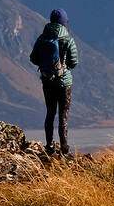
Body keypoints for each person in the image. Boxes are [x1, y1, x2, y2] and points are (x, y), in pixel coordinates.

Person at [29, 8, 78, 155]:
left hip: (47, 82)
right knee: (63, 116)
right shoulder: (68, 39)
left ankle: (49, 146)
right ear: (64, 23)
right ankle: (64, 148)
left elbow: (33, 58)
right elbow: (74, 62)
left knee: (50, 113)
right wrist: (64, 67)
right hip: (64, 84)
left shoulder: (42, 38)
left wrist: (46, 65)